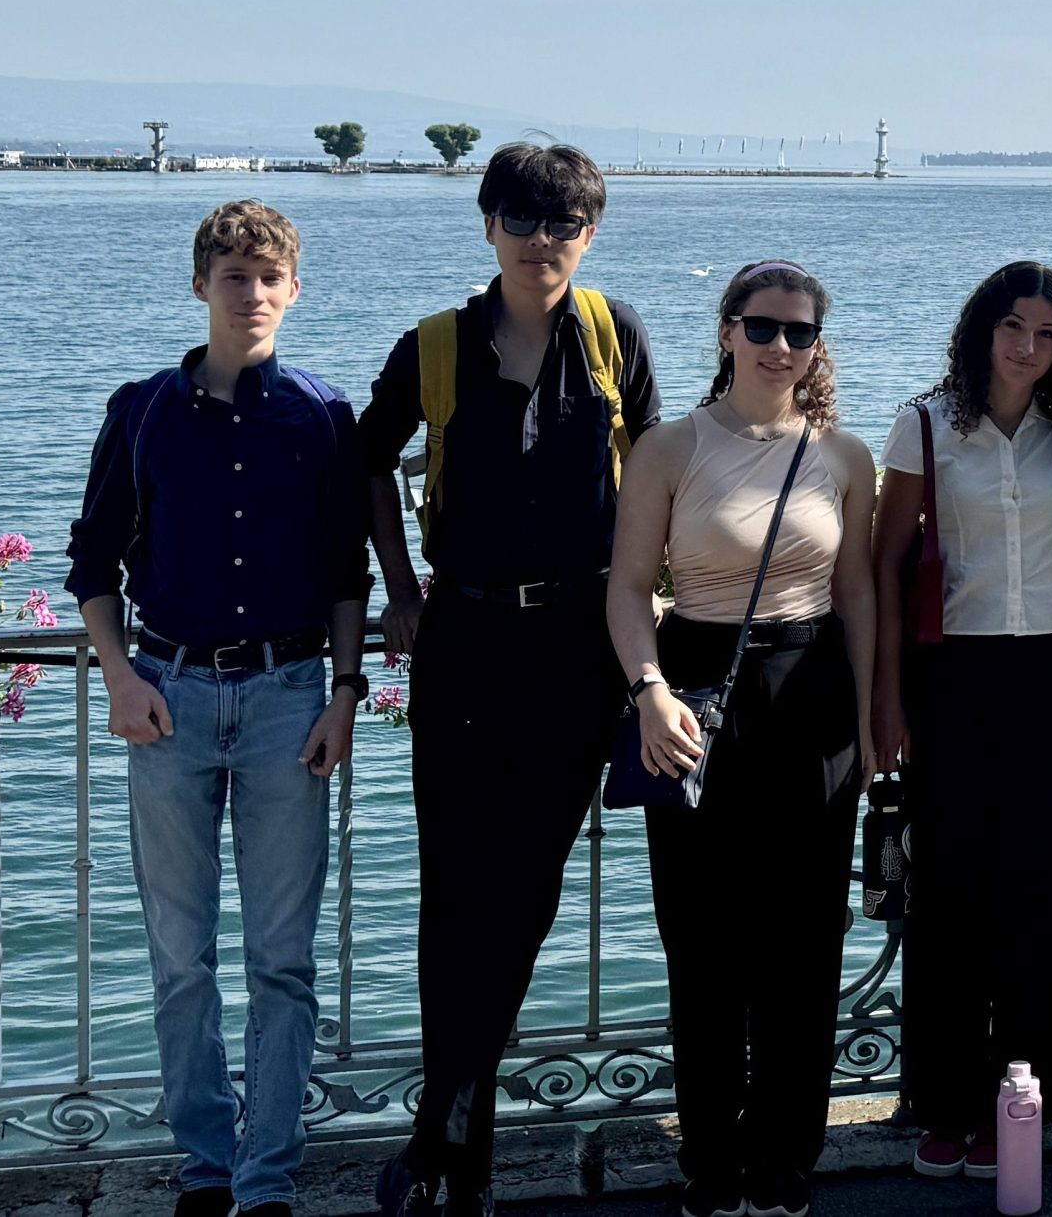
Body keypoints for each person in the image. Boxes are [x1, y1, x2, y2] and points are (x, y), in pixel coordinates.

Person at [360, 143, 661, 1217]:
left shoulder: (614, 335)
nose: (545, 240)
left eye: (567, 223)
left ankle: (443, 1141)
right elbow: (362, 470)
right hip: (467, 647)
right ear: (488, 224)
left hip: (580, 648)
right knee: (458, 900)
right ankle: (459, 1157)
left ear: (590, 234)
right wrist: (399, 587)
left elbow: (656, 476)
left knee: (524, 900)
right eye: (526, 219)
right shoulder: (435, 347)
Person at [66, 199, 371, 1217]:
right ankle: (205, 1164)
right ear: (201, 285)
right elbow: (93, 563)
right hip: (170, 698)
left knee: (282, 961)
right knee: (179, 958)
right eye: (232, 276)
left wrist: (342, 695)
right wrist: (120, 679)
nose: (251, 294)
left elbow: (345, 574)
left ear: (294, 291)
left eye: (268, 277)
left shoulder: (326, 417)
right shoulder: (143, 409)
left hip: (291, 701)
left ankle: (265, 1177)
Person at [608, 262, 877, 1217]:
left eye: (800, 333)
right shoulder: (669, 447)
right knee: (705, 941)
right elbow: (630, 586)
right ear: (726, 332)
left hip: (812, 695)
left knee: (806, 945)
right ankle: (710, 1162)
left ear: (817, 346)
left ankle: (786, 1160)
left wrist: (875, 718)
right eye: (762, 328)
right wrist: (646, 691)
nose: (780, 347)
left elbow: (856, 595)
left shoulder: (844, 456)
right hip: (692, 695)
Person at [871, 262, 1052, 1179]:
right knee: (952, 894)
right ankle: (944, 1100)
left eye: (1046, 334)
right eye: (1012, 326)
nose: (1027, 346)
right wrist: (888, 698)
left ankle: (1027, 1091)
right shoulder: (926, 423)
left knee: (1043, 892)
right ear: (981, 330)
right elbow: (888, 564)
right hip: (955, 676)